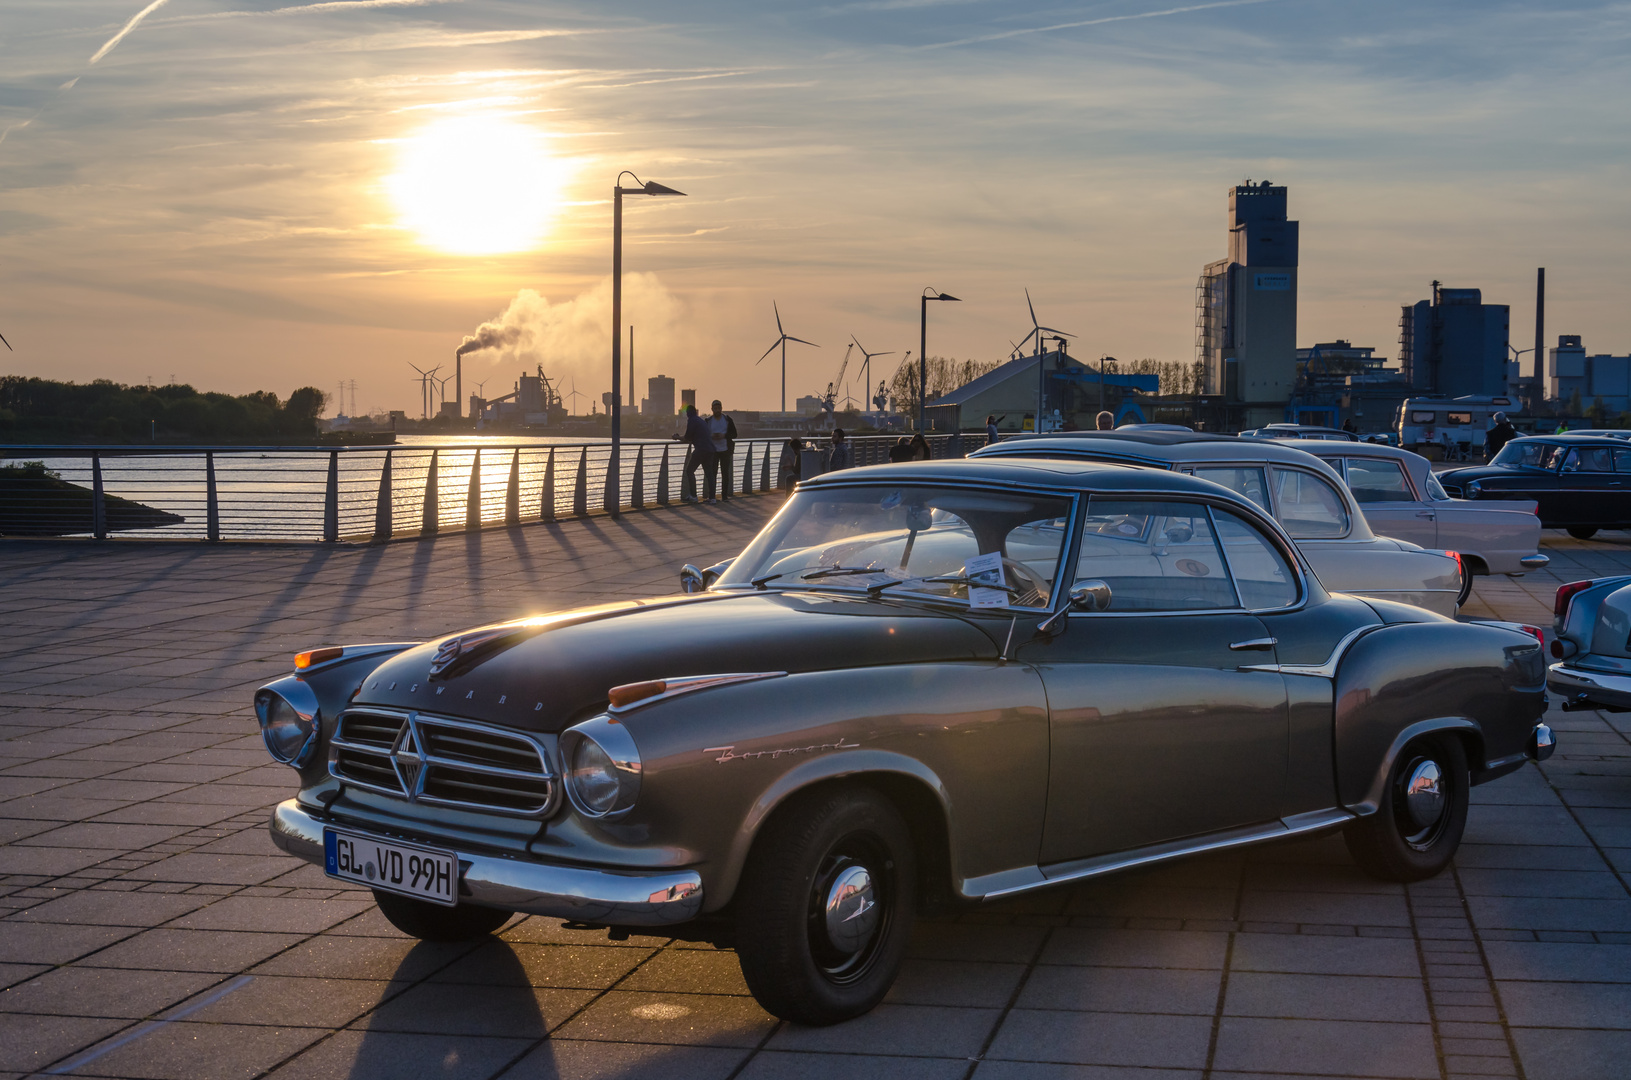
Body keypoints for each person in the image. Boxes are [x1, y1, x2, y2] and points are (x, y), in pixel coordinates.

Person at [673, 404, 711, 504]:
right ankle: (712, 497)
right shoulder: (700, 420)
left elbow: (687, 437)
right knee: (708, 473)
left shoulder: (692, 420)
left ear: (688, 413)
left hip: (701, 449)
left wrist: (677, 437)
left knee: (690, 471)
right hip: (709, 449)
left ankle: (693, 496)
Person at [706, 399, 738, 503]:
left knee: (725, 473)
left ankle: (724, 496)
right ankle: (712, 495)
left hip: (725, 450)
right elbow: (704, 434)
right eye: (715, 408)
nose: (717, 410)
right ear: (712, 409)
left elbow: (734, 434)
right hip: (713, 451)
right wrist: (711, 436)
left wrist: (724, 435)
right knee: (712, 473)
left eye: (718, 408)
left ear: (721, 408)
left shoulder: (727, 419)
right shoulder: (708, 421)